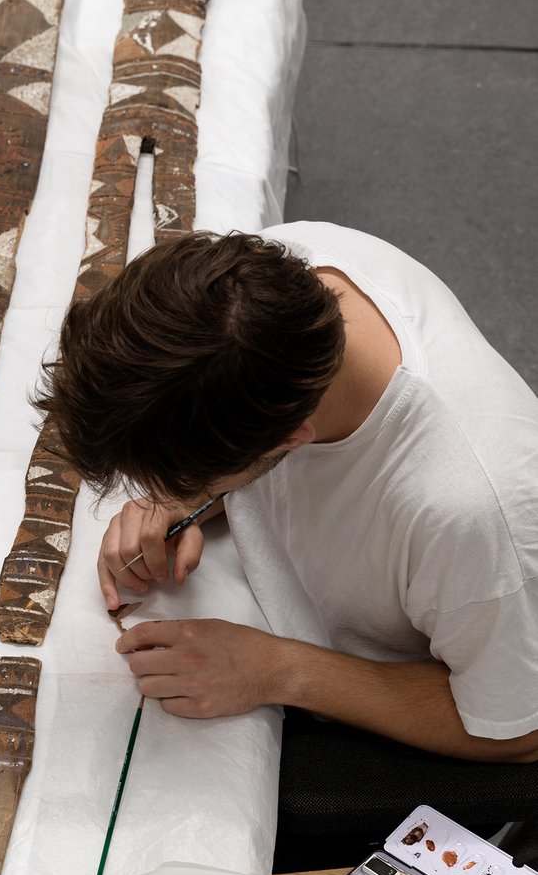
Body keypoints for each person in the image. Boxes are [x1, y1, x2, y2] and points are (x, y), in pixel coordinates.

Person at [36, 222, 538, 763]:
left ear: (293, 439)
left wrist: (277, 670)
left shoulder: (473, 512)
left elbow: (515, 731)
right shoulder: (267, 277)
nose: (151, 493)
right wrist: (180, 498)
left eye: (173, 480)